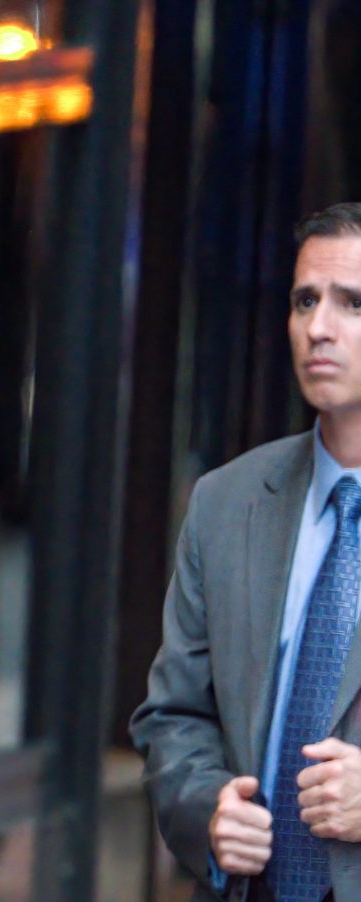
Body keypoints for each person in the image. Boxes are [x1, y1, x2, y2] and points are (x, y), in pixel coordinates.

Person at [133, 202, 361, 899]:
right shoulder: (226, 503)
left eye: (352, 303)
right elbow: (174, 715)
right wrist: (208, 811)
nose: (318, 328)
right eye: (305, 301)